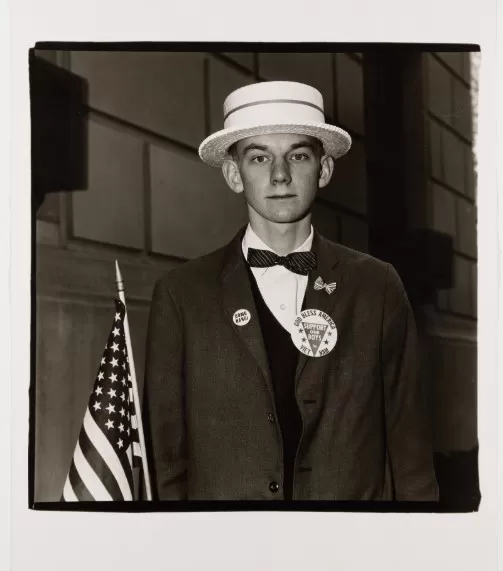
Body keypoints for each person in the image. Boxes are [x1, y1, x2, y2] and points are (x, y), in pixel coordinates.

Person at [143, 81, 438, 501]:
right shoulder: (182, 295)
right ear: (233, 173)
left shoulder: (377, 287)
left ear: (324, 169)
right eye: (259, 157)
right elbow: (165, 462)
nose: (280, 175)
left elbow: (412, 457)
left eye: (298, 155)